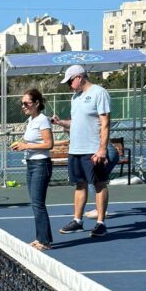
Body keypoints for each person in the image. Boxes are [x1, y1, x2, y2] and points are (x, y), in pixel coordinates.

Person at [52, 64, 119, 238]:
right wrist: (60, 123)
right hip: (76, 150)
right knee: (79, 185)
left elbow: (105, 123)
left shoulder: (99, 93)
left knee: (99, 184)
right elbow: (75, 123)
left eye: (70, 81)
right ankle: (78, 221)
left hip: (93, 149)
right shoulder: (75, 98)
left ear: (79, 77)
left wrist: (102, 149)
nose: (69, 85)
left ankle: (101, 223)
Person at [10, 89, 54, 250]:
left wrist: (26, 145)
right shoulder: (31, 120)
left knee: (38, 203)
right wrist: (20, 144)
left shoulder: (43, 120)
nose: (23, 106)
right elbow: (31, 141)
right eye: (22, 103)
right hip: (31, 163)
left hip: (41, 165)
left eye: (26, 103)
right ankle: (41, 238)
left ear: (36, 104)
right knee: (36, 203)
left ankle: (44, 241)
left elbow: (49, 144)